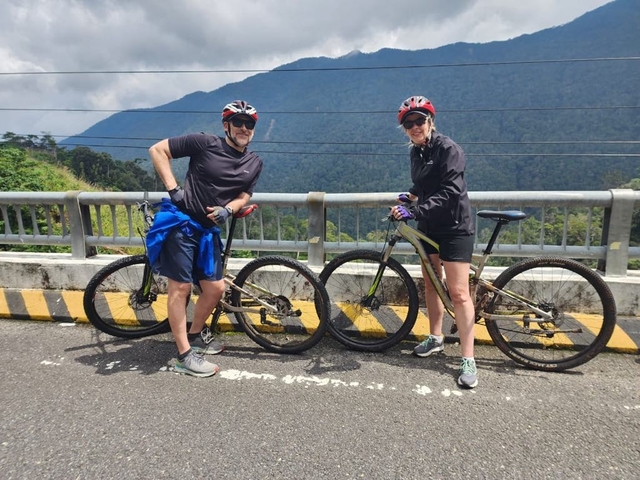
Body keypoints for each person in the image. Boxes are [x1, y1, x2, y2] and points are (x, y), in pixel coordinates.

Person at [146, 100, 263, 377]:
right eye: (238, 122)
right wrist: (174, 190)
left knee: (215, 289)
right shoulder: (204, 143)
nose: (244, 128)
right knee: (181, 289)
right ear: (226, 125)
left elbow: (245, 194)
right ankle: (184, 355)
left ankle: (196, 335)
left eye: (249, 124)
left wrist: (228, 209)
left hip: (208, 232)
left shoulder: (254, 162)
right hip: (182, 225)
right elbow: (158, 150)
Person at [390, 95, 478, 388]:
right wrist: (411, 195)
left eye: (419, 120)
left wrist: (414, 210)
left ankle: (468, 358)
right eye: (409, 123)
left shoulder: (449, 149)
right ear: (404, 128)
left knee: (459, 293)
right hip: (429, 226)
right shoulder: (417, 152)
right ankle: (436, 337)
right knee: (431, 284)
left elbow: (451, 190)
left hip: (454, 226)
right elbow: (426, 182)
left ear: (430, 122)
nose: (415, 126)